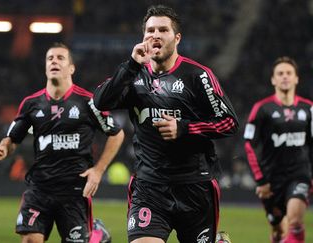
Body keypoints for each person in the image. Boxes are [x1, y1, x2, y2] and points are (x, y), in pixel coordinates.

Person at [93, 5, 239, 243]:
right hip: (149, 187)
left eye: (163, 30)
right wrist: (131, 65)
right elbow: (100, 101)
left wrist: (185, 128)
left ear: (177, 38)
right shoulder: (134, 75)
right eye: (150, 30)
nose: (155, 35)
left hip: (195, 186)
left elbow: (229, 122)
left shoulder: (198, 76)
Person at [0, 43, 125, 243]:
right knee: (30, 240)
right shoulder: (31, 104)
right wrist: (2, 149)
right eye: (50, 58)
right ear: (45, 67)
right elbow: (12, 139)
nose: (54, 61)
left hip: (74, 190)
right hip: (39, 188)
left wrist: (98, 170)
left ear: (71, 68)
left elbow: (116, 134)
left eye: (60, 58)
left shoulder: (89, 102)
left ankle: (97, 234)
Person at [243, 57, 311, 243]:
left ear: (297, 78)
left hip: (299, 175)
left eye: (289, 73)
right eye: (280, 74)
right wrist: (260, 180)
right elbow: (249, 144)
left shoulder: (309, 109)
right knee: (279, 231)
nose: (285, 77)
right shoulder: (262, 109)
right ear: (273, 79)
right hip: (271, 181)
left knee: (295, 222)